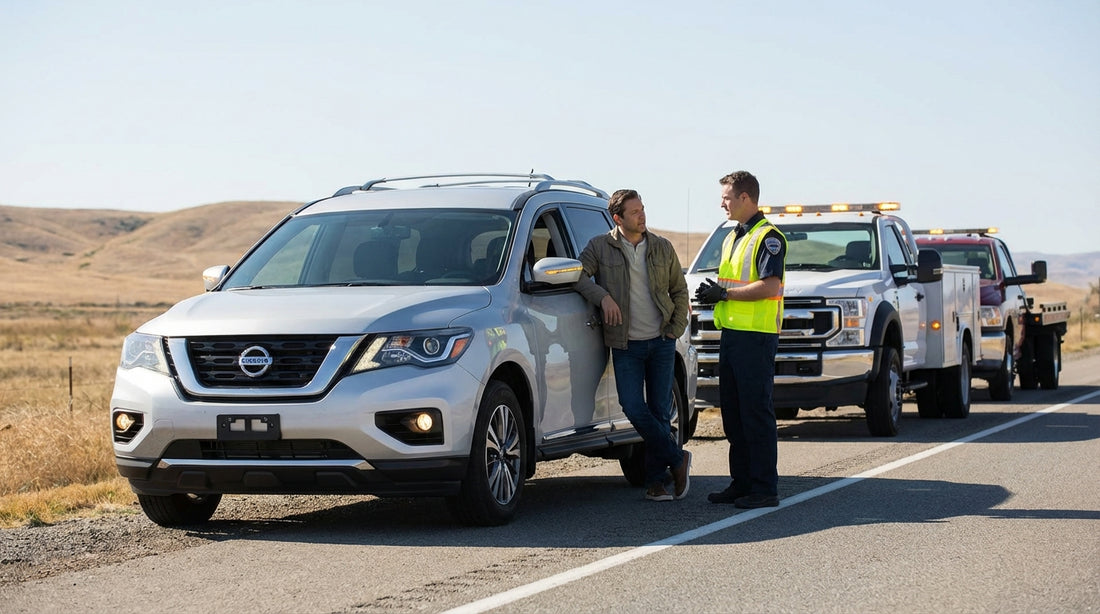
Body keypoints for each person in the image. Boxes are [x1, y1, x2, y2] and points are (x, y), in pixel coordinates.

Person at [575, 188, 692, 501]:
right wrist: (604, 297)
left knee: (659, 411)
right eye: (635, 212)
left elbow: (680, 291)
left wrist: (675, 328)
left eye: (643, 209)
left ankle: (656, 483)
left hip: (662, 342)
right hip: (625, 345)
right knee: (632, 406)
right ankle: (677, 459)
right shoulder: (599, 246)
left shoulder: (662, 247)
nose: (642, 216)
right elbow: (578, 275)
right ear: (618, 218)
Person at [695, 171, 787, 509]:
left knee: (755, 412)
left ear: (746, 198)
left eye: (727, 197)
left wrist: (725, 293)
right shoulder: (732, 236)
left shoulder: (769, 237)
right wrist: (715, 295)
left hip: (757, 336)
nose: (722, 202)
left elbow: (769, 287)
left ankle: (764, 488)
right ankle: (742, 482)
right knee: (733, 413)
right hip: (732, 335)